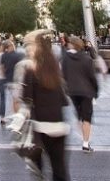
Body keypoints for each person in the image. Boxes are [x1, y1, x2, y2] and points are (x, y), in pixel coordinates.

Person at [20, 30, 72, 181]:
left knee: (37, 172)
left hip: (39, 128)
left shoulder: (30, 70)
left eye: (30, 46)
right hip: (58, 126)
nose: (28, 50)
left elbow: (26, 99)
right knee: (60, 170)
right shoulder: (54, 68)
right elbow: (63, 100)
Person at [60, 36, 99, 153]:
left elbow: (63, 75)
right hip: (87, 91)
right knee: (87, 117)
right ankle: (85, 143)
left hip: (72, 91)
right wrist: (96, 90)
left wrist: (66, 88)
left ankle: (81, 132)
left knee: (79, 115)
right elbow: (92, 77)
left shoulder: (65, 58)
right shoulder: (86, 58)